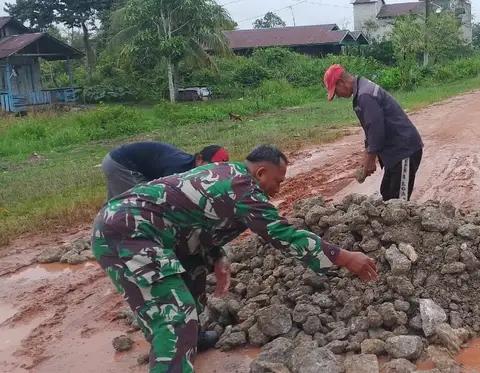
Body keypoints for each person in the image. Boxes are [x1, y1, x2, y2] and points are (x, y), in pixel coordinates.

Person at [91, 145, 378, 373]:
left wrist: (217, 255)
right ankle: (175, 347)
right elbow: (280, 233)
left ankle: (191, 339)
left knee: (194, 273)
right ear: (262, 173)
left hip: (148, 229)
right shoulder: (243, 189)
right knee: (174, 315)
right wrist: (344, 257)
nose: (279, 189)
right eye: (278, 181)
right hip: (128, 230)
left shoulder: (230, 174)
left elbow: (198, 221)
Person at [323, 64, 424, 201]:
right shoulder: (362, 90)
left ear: (341, 83)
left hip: (404, 151)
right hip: (395, 153)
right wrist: (365, 158)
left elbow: (376, 130)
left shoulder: (365, 95)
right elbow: (371, 130)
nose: (338, 96)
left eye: (336, 91)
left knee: (398, 203)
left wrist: (370, 160)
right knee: (387, 193)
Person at [101, 141, 230, 200]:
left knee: (119, 200)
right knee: (139, 201)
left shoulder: (188, 167)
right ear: (199, 159)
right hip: (121, 163)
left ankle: (105, 230)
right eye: (211, 166)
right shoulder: (178, 168)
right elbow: (167, 198)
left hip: (126, 162)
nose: (212, 172)